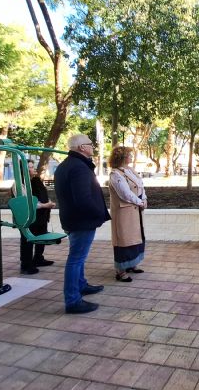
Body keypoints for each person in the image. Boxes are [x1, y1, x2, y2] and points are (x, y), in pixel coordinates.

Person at [55, 134, 110, 314]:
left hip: (72, 219)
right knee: (76, 259)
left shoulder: (66, 165)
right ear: (81, 148)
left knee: (78, 257)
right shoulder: (79, 167)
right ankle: (72, 300)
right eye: (90, 144)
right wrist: (99, 213)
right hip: (81, 221)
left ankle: (81, 285)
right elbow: (83, 199)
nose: (92, 146)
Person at [108, 146, 147, 283]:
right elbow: (124, 193)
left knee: (135, 238)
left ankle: (132, 264)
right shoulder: (115, 174)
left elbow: (140, 186)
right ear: (123, 157)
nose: (131, 157)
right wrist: (139, 202)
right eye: (129, 155)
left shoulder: (131, 171)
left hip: (135, 210)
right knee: (124, 240)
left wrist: (144, 199)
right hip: (124, 212)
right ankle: (121, 271)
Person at [13, 160, 56, 275]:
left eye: (32, 166)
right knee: (27, 240)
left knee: (41, 236)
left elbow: (41, 196)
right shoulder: (19, 184)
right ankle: (26, 265)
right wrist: (44, 205)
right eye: (30, 167)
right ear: (23, 171)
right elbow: (26, 202)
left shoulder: (35, 181)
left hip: (40, 216)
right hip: (26, 217)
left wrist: (48, 203)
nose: (34, 169)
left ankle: (38, 258)